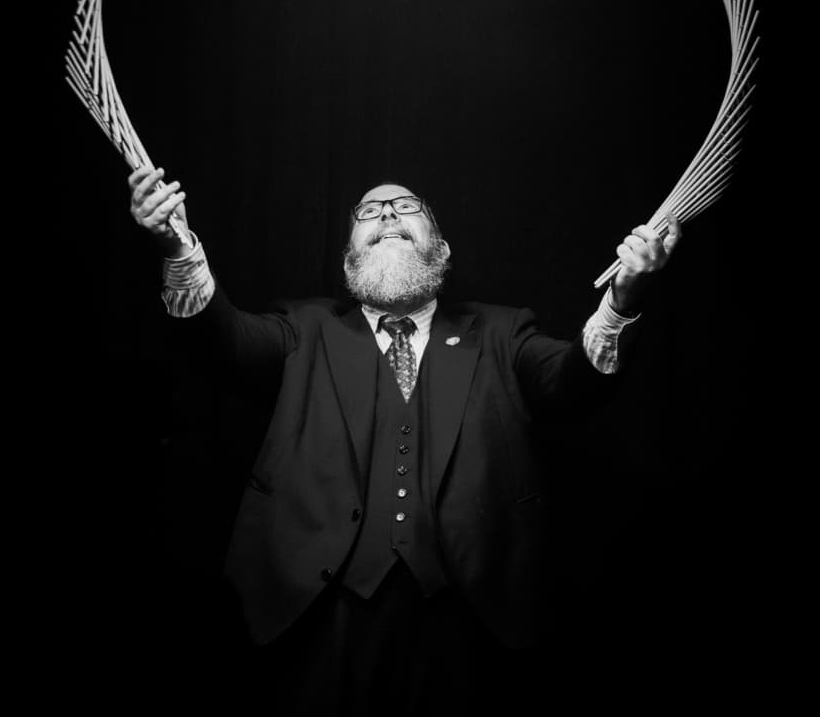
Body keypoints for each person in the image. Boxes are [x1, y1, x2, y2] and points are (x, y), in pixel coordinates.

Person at [129, 165, 681, 711]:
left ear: (441, 248)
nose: (388, 214)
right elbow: (219, 338)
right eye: (369, 212)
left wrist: (622, 299)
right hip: (316, 614)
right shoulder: (303, 328)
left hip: (468, 619)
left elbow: (576, 382)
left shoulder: (502, 332)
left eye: (406, 207)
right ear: (349, 255)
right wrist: (178, 250)